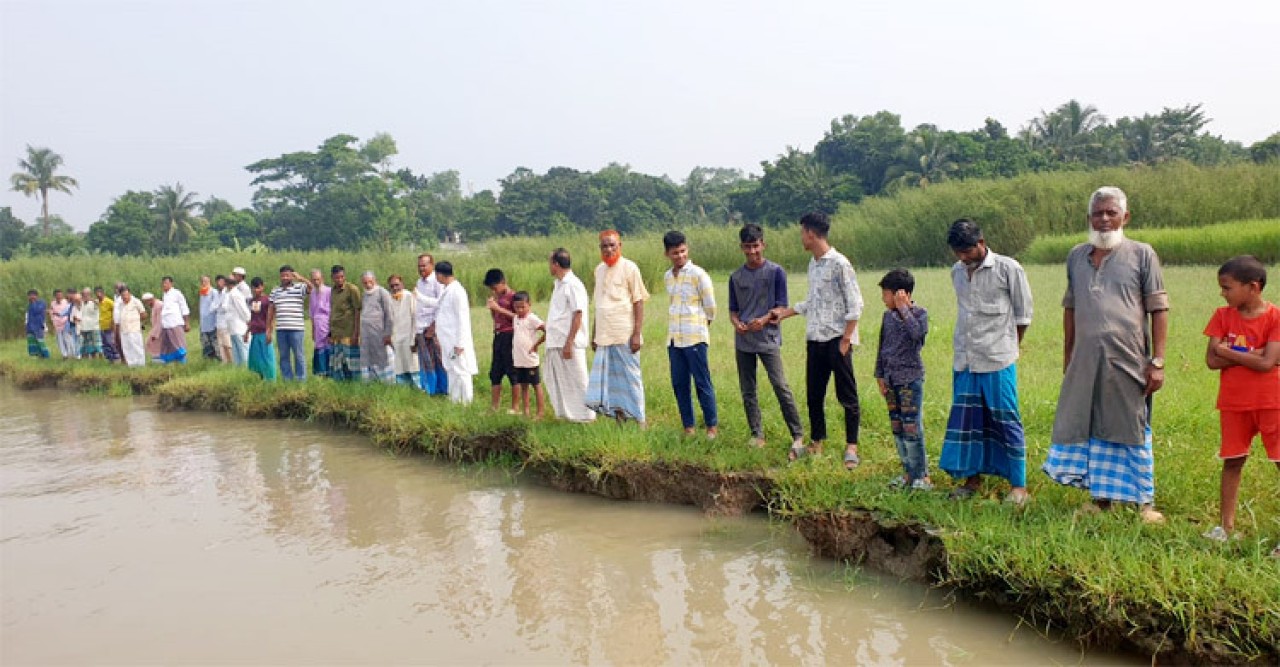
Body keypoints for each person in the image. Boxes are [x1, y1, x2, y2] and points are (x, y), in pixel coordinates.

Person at [1043, 187, 1169, 522]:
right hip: (1085, 361)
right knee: (1092, 424)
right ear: (1089, 218)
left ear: (1125, 217)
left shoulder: (1142, 254)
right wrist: (1068, 357)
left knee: (1132, 425)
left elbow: (1159, 308)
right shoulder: (1076, 256)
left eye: (1111, 212)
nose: (1104, 219)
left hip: (1128, 359)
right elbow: (1070, 309)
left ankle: (1144, 504)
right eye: (1097, 213)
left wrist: (1157, 361)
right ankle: (1101, 501)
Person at [939, 219, 1033, 504]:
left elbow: (1023, 316)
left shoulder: (1008, 269)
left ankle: (1018, 486)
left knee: (1006, 419)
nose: (963, 257)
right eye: (958, 252)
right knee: (969, 421)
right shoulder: (957, 272)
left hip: (997, 360)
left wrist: (1008, 347)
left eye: (967, 251)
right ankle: (972, 481)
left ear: (981, 243)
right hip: (965, 360)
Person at [771, 212, 864, 467]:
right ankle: (817, 441)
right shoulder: (813, 264)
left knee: (847, 395)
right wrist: (786, 313)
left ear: (811, 234)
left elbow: (856, 304)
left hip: (837, 339)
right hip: (815, 339)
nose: (801, 238)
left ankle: (852, 446)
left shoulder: (840, 264)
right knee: (814, 395)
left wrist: (846, 338)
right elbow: (813, 301)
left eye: (802, 233)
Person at [1202, 256, 1280, 557]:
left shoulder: (1275, 317)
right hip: (1234, 403)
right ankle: (1226, 527)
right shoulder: (1222, 316)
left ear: (1253, 287)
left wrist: (1228, 350)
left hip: (1272, 402)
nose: (1222, 293)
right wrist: (1255, 354)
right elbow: (1211, 360)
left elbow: (1266, 364)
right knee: (1232, 461)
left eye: (1227, 287)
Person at [729, 224, 804, 451]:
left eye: (755, 246)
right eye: (747, 247)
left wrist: (764, 319)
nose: (752, 251)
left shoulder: (776, 272)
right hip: (744, 342)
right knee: (748, 389)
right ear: (741, 247)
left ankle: (797, 434)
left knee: (780, 385)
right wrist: (737, 323)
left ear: (763, 245)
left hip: (767, 339)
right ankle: (757, 434)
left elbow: (782, 306)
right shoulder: (736, 277)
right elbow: (733, 310)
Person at [874, 269, 931, 490]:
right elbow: (882, 347)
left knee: (911, 428)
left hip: (909, 379)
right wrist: (879, 375)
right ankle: (908, 473)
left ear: (901, 294)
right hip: (890, 380)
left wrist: (904, 309)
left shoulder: (919, 314)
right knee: (897, 427)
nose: (883, 299)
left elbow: (917, 335)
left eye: (886, 294)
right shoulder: (887, 317)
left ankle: (921, 475)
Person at [586, 230, 650, 425]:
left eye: (612, 245)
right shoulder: (599, 270)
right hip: (604, 335)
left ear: (619, 246)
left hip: (624, 334)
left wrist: (637, 334)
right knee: (612, 380)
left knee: (631, 377)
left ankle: (640, 421)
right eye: (604, 246)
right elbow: (599, 304)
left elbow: (638, 301)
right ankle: (619, 419)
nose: (609, 249)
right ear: (600, 248)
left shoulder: (630, 268)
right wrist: (595, 334)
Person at [662, 230, 719, 438]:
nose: (680, 256)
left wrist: (700, 327)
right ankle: (689, 427)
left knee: (702, 383)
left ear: (687, 249)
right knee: (679, 384)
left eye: (683, 251)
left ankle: (711, 427)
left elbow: (711, 308)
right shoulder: (668, 277)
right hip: (674, 339)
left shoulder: (698, 275)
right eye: (675, 253)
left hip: (695, 338)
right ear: (667, 254)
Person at [542, 248, 595, 423]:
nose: (549, 266)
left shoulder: (573, 284)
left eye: (550, 263)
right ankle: (567, 415)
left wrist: (569, 343)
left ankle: (587, 416)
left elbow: (578, 314)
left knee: (578, 380)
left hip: (569, 342)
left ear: (556, 264)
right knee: (557, 380)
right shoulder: (559, 284)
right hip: (556, 341)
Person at [433, 261, 478, 404]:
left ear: (440, 275)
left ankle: (467, 401)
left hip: (456, 341)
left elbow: (462, 319)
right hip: (447, 339)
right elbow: (437, 305)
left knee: (461, 370)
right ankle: (455, 399)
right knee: (451, 369)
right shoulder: (447, 290)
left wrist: (460, 343)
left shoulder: (457, 291)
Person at [484, 268, 520, 411]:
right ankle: (494, 407)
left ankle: (515, 407)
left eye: (495, 287)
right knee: (495, 372)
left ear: (503, 282)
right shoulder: (497, 298)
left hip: (510, 335)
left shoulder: (514, 297)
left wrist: (498, 308)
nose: (494, 291)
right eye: (491, 289)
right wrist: (493, 310)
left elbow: (518, 318)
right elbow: (496, 318)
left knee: (512, 372)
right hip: (498, 335)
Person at [413, 253, 448, 395]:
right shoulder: (419, 283)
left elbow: (441, 305)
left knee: (439, 359)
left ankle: (444, 388)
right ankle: (430, 390)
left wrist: (433, 327)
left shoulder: (437, 282)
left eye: (424, 265)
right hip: (421, 326)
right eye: (419, 266)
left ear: (432, 265)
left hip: (433, 327)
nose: (421, 268)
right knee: (426, 360)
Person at [270, 265, 310, 381]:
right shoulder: (275, 291)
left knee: (298, 354)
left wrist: (301, 278)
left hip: (296, 329)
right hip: (281, 329)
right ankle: (287, 378)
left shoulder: (300, 288)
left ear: (292, 276)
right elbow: (271, 310)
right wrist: (269, 327)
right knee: (283, 356)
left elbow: (312, 287)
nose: (285, 278)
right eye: (283, 275)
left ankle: (301, 378)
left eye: (287, 275)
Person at [512, 291, 546, 419]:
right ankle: (526, 411)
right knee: (523, 386)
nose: (520, 310)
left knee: (536, 385)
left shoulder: (532, 318)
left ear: (529, 304)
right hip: (519, 359)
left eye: (523, 307)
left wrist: (537, 344)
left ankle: (540, 412)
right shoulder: (515, 318)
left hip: (530, 360)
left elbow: (547, 330)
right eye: (517, 307)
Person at [328, 265, 363, 381]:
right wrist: (330, 332)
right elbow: (333, 311)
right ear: (332, 277)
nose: (340, 280)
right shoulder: (332, 291)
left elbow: (358, 310)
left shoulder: (352, 289)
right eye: (337, 277)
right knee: (339, 363)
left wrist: (356, 333)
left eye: (342, 277)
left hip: (349, 332)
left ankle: (356, 385)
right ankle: (342, 384)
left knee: (352, 362)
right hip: (336, 333)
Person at [358, 270, 394, 383]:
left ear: (375, 280)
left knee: (382, 358)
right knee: (368, 358)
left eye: (370, 282)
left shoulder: (382, 293)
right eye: (365, 283)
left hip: (380, 333)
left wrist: (388, 334)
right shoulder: (364, 294)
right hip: (366, 333)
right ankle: (371, 382)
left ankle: (388, 383)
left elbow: (390, 314)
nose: (368, 285)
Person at [387, 274, 419, 386]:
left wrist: (414, 339)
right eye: (392, 286)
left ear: (402, 284)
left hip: (409, 337)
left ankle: (418, 390)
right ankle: (404, 389)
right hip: (396, 338)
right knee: (400, 365)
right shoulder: (389, 299)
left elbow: (416, 318)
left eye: (397, 285)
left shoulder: (409, 296)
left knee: (413, 364)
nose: (395, 288)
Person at [244, 277, 277, 381]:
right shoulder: (252, 301)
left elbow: (271, 317)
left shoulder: (267, 300)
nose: (255, 290)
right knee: (256, 357)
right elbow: (253, 317)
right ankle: (261, 377)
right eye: (253, 288)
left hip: (264, 332)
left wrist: (269, 332)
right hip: (255, 332)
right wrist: (247, 332)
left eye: (258, 287)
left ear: (262, 287)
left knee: (267, 356)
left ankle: (271, 378)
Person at [221, 267, 252, 366]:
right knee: (236, 351)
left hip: (239, 326)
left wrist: (248, 320)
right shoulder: (230, 293)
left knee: (243, 350)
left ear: (228, 284)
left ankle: (246, 368)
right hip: (232, 327)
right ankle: (239, 369)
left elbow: (243, 309)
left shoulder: (235, 294)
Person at [156, 276, 190, 364]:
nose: (164, 285)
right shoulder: (165, 295)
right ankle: (171, 360)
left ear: (171, 284)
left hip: (175, 322)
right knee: (169, 344)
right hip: (166, 324)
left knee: (179, 342)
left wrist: (187, 323)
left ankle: (183, 360)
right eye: (163, 283)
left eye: (166, 283)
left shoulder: (176, 293)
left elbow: (184, 307)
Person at [114, 284, 147, 368]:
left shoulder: (136, 301)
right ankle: (131, 364)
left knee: (136, 346)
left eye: (126, 295)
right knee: (127, 347)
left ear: (129, 294)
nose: (125, 297)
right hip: (124, 329)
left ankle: (140, 364)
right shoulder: (120, 304)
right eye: (123, 295)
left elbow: (144, 314)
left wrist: (136, 320)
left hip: (134, 328)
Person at [308, 269, 332, 378]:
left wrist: (331, 328)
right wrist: (313, 329)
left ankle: (329, 371)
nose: (316, 282)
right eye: (314, 280)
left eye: (318, 279)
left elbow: (332, 310)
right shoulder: (313, 293)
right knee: (319, 347)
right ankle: (321, 372)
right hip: (317, 324)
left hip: (327, 322)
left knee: (328, 346)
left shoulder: (329, 291)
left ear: (322, 279)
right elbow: (312, 312)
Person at [197, 275, 222, 361]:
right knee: (205, 340)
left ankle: (218, 357)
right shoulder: (202, 292)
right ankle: (208, 357)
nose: (204, 283)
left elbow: (215, 306)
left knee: (214, 340)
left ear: (209, 281)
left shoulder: (214, 292)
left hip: (212, 320)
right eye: (202, 281)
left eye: (206, 281)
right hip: (203, 321)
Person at [50, 289, 77, 360]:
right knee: (60, 341)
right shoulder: (53, 303)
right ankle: (64, 355)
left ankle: (72, 354)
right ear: (54, 296)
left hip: (65, 324)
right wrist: (53, 320)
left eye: (60, 295)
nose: (59, 296)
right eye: (57, 295)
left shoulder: (66, 302)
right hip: (57, 324)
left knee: (68, 339)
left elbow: (68, 312)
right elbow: (52, 313)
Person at [77, 288, 103, 359]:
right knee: (87, 343)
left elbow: (98, 304)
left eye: (86, 294)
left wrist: (91, 299)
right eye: (83, 294)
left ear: (90, 294)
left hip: (94, 326)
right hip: (84, 327)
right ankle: (89, 357)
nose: (84, 296)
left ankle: (101, 357)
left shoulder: (94, 302)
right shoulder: (81, 303)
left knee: (97, 343)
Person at [212, 276, 233, 363]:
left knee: (227, 344)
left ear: (225, 283)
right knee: (221, 345)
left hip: (225, 322)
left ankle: (231, 361)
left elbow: (225, 307)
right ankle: (225, 362)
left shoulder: (227, 293)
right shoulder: (217, 294)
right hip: (218, 322)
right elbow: (212, 308)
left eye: (221, 282)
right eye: (217, 282)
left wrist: (218, 306)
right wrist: (218, 305)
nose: (219, 284)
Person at [25, 290, 50, 358]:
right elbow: (28, 316)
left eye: (33, 295)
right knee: (32, 342)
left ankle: (46, 356)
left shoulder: (41, 303)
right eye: (29, 296)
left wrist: (33, 302)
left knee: (40, 341)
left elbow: (37, 310)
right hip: (30, 326)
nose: (31, 297)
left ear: (36, 296)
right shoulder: (29, 305)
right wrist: (26, 326)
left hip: (39, 325)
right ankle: (38, 355)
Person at [96, 287, 118, 363]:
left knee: (110, 342)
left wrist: (113, 322)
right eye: (97, 295)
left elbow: (115, 310)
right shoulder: (99, 302)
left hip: (109, 326)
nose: (98, 296)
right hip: (102, 326)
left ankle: (115, 357)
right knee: (104, 343)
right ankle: (109, 358)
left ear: (103, 293)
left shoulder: (109, 301)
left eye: (100, 294)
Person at [142, 292, 164, 361]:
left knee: (154, 343)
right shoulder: (154, 305)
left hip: (160, 329)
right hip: (156, 328)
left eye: (146, 302)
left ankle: (159, 360)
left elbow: (160, 321)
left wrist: (155, 334)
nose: (146, 304)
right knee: (150, 343)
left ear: (150, 300)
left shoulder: (159, 305)